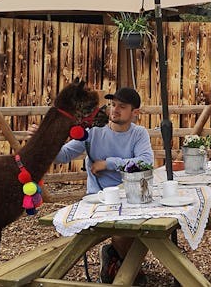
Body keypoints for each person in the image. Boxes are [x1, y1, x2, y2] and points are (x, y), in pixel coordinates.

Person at [31, 87, 153, 285]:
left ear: (135, 113)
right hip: (99, 198)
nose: (115, 110)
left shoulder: (138, 134)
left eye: (122, 107)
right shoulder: (93, 132)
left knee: (147, 230)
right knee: (124, 230)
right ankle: (128, 270)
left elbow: (146, 162)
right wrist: (43, 140)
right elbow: (64, 155)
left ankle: (118, 261)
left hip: (133, 196)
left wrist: (108, 163)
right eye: (113, 105)